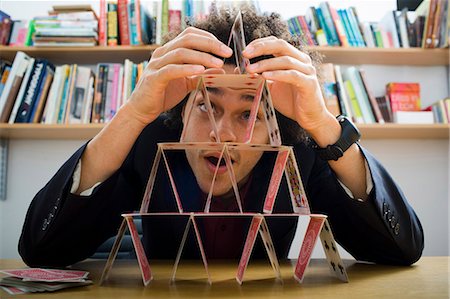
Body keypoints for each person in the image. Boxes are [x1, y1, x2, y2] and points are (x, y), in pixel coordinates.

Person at [19, 5, 423, 268]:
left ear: (275, 128)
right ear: (180, 111)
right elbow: (40, 249)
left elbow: (399, 250)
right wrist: (133, 113)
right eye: (206, 106)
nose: (224, 134)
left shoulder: (298, 155)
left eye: (249, 113)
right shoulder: (149, 144)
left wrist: (323, 124)